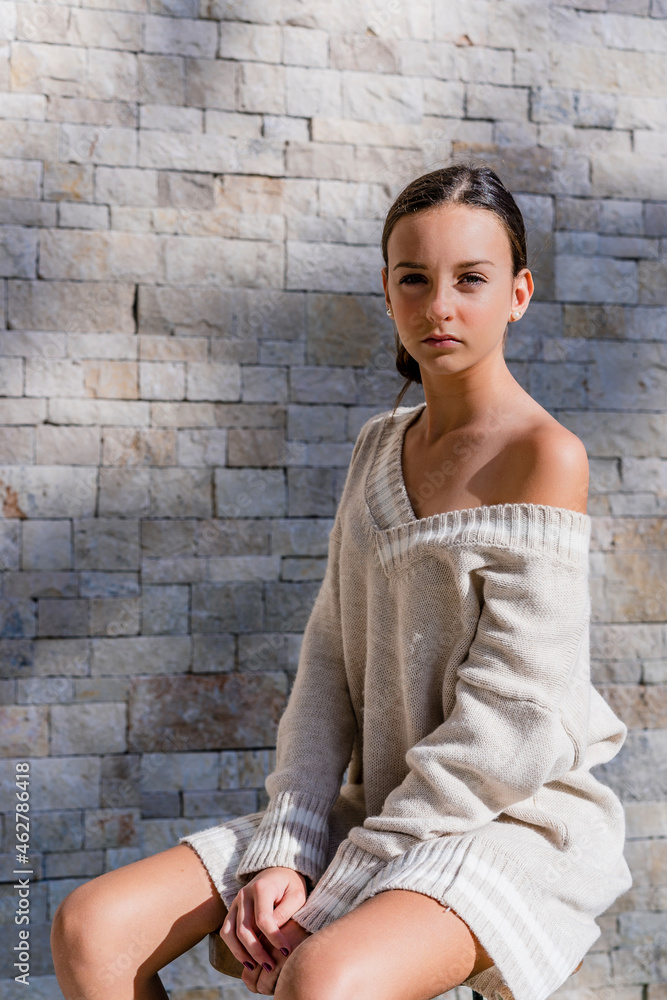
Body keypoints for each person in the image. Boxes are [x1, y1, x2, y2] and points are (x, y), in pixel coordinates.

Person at [50, 163, 632, 1000]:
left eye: (470, 279)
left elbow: (515, 726)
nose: (439, 306)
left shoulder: (544, 456)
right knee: (92, 927)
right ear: (387, 292)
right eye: (413, 279)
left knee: (322, 975)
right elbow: (327, 664)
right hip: (384, 807)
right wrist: (285, 848)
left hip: (508, 816)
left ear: (518, 293)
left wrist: (343, 883)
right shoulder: (375, 449)